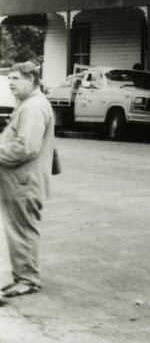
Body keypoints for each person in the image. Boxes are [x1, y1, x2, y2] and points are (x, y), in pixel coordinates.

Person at [0, 61, 56, 298]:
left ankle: (27, 279)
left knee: (22, 229)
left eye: (16, 78)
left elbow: (25, 147)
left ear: (31, 79)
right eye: (9, 78)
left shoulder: (33, 106)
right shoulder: (29, 103)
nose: (10, 83)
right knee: (20, 228)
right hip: (22, 180)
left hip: (25, 181)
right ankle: (23, 276)